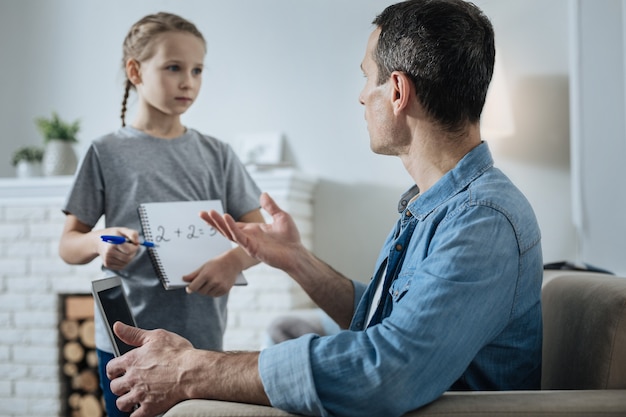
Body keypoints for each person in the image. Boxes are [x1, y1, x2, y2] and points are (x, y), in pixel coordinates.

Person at [106, 1, 544, 416]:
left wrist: (191, 370)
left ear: (396, 91)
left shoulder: (482, 219)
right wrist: (296, 260)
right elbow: (383, 322)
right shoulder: (437, 207)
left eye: (366, 77)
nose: (360, 97)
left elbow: (385, 370)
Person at [58, 12, 264, 417]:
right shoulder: (106, 152)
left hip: (201, 347)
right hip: (126, 344)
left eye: (197, 70)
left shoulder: (217, 154)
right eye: (173, 68)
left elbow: (261, 234)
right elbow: (68, 244)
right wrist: (101, 242)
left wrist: (233, 260)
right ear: (135, 71)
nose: (188, 81)